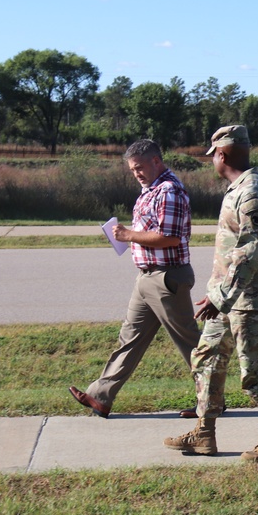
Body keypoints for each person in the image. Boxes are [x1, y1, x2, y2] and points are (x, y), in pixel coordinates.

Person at [163, 125, 258, 461]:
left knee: (256, 368)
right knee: (206, 359)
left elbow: (250, 250)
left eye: (213, 156)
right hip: (223, 299)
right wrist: (218, 297)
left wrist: (221, 297)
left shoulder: (251, 192)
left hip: (245, 299)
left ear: (221, 155)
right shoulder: (238, 189)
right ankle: (204, 432)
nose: (213, 162)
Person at [68, 139, 201, 418]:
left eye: (140, 167)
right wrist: (129, 237)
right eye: (132, 170)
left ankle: (211, 400)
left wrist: (128, 235)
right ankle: (100, 396)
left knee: (189, 344)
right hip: (147, 278)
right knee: (129, 339)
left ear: (156, 161)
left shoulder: (169, 191)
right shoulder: (149, 190)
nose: (136, 173)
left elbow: (170, 237)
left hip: (167, 279)